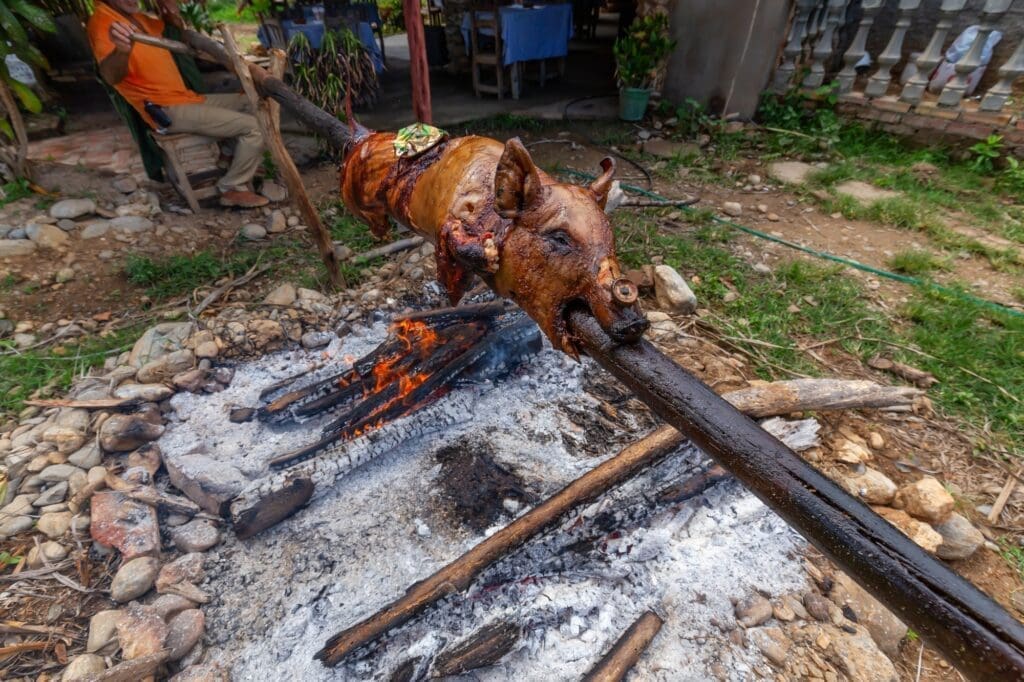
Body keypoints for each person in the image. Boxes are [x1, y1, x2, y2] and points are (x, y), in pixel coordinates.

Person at [88, 0, 270, 208]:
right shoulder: (103, 21)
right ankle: (232, 187)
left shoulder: (138, 18)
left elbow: (173, 32)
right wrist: (121, 50)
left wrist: (172, 16)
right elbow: (110, 76)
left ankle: (228, 157)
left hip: (186, 98)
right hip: (165, 110)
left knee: (254, 102)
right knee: (254, 127)